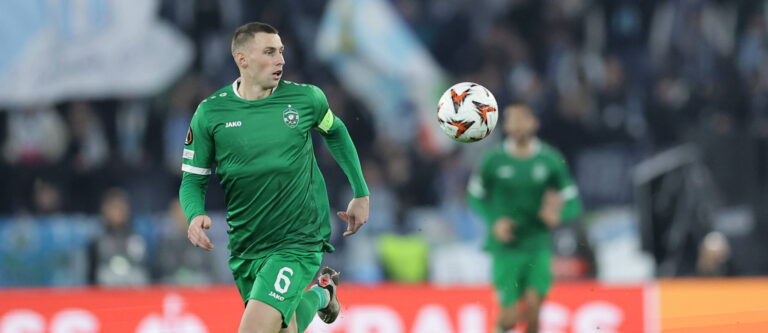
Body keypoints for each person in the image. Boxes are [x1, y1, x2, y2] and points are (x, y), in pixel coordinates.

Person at [178, 22, 370, 333]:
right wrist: (194, 214)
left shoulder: (306, 100)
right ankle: (324, 294)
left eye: (281, 51)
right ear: (243, 59)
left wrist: (361, 192)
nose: (281, 59)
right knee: (283, 329)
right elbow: (193, 179)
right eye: (270, 52)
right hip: (246, 243)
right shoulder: (210, 114)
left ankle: (322, 292)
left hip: (299, 238)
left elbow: (336, 131)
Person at [467, 105, 582, 333]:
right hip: (506, 249)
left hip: (537, 245)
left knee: (533, 309)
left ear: (534, 123)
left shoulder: (550, 159)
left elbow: (574, 202)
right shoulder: (494, 160)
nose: (518, 126)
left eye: (523, 120)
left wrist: (557, 215)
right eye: (512, 121)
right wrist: (495, 221)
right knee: (509, 317)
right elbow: (474, 196)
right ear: (506, 126)